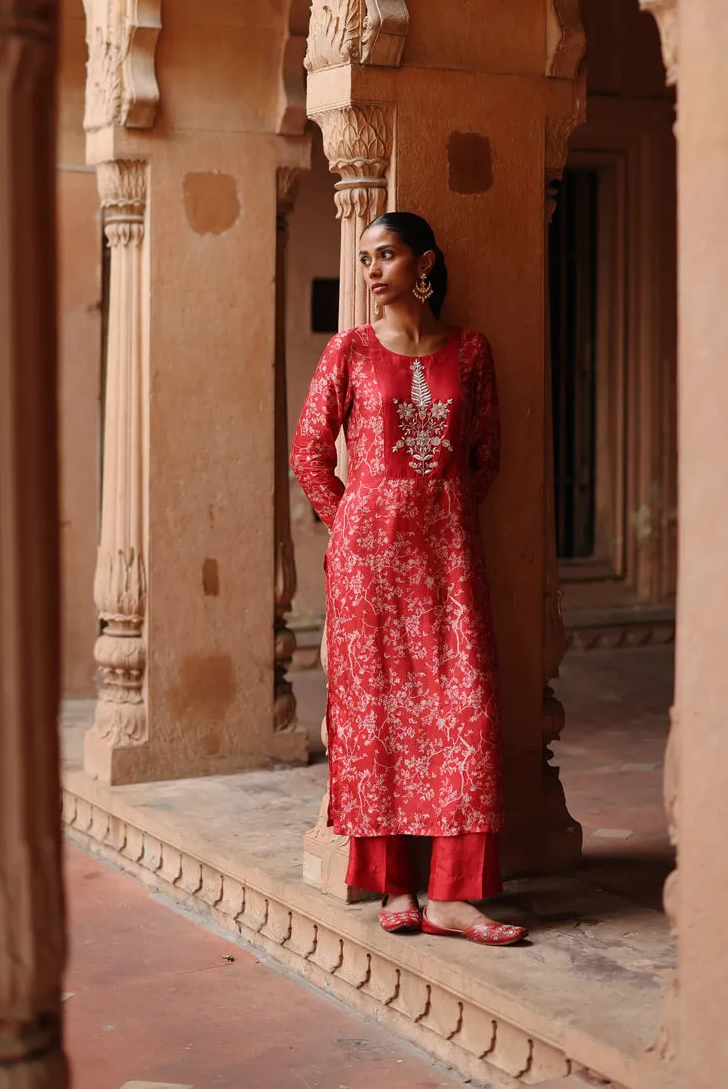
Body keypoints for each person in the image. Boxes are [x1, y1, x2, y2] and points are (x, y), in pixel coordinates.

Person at [290, 211, 526, 947]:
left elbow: (485, 453)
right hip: (369, 565)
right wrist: (354, 521)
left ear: (423, 262)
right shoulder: (351, 350)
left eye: (384, 255)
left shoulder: (471, 352)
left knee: (468, 712)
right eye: (364, 258)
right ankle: (395, 883)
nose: (370, 270)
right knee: (380, 713)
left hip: (451, 562)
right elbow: (308, 452)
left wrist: (439, 512)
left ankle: (455, 895)